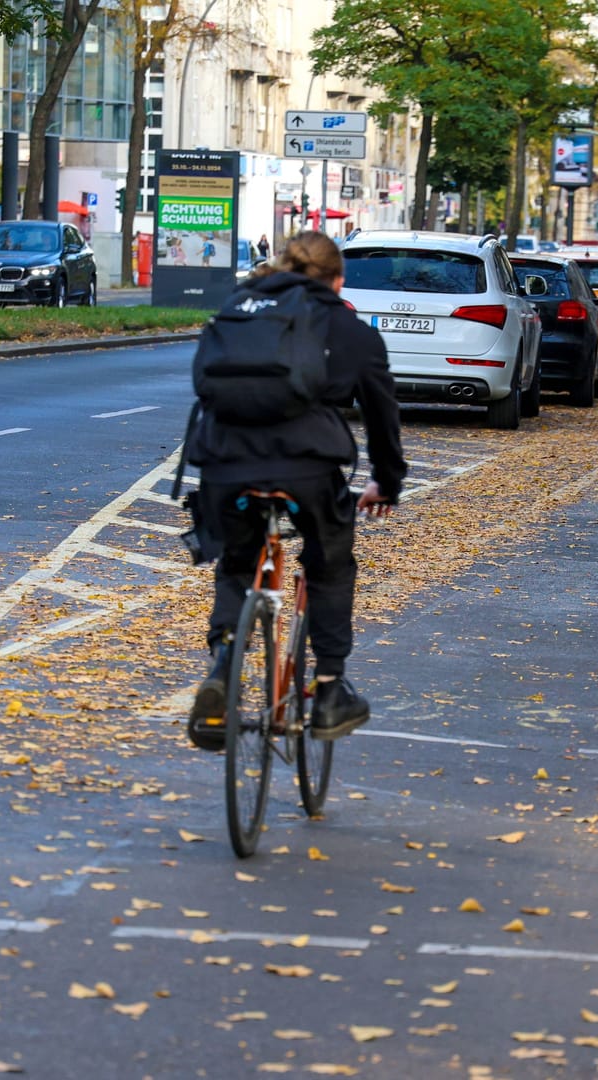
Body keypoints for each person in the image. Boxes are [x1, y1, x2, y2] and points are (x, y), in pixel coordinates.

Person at [185, 231, 409, 750]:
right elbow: (383, 418)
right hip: (306, 469)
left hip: (223, 463)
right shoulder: (351, 331)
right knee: (330, 562)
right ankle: (330, 689)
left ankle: (223, 661)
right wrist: (386, 482)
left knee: (238, 563)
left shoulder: (240, 308)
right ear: (339, 279)